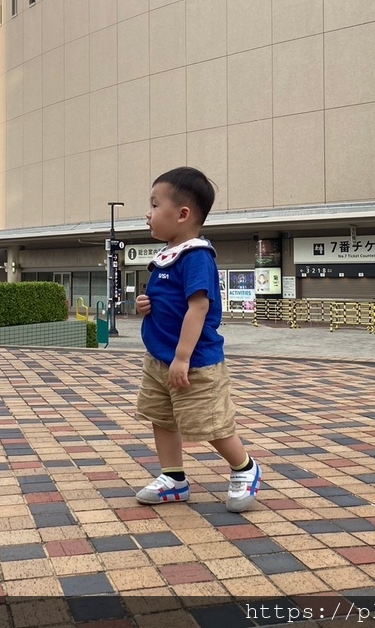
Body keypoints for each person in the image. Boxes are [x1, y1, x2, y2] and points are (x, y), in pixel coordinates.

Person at [133, 167, 261, 512]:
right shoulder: (167, 258)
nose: (148, 213)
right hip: (160, 358)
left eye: (155, 205)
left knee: (210, 422)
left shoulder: (197, 256)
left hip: (193, 362)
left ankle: (244, 468)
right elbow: (170, 303)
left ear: (182, 214)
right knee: (162, 417)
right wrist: (146, 305)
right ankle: (173, 479)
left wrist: (183, 357)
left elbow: (198, 308)